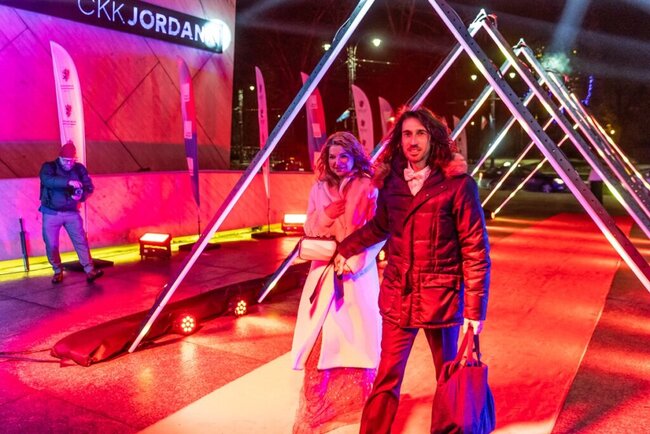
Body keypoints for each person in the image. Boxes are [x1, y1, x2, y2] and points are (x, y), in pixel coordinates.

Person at [334, 107, 491, 433]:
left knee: (448, 375)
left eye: (420, 133)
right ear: (399, 140)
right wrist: (346, 247)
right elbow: (381, 226)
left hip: (442, 296)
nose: (413, 141)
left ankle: (450, 430)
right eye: (407, 134)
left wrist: (475, 310)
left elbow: (475, 249)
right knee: (387, 374)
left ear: (433, 138)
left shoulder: (457, 185)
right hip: (399, 294)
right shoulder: (391, 182)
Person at [291, 132, 383, 433]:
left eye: (344, 156)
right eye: (332, 157)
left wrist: (355, 261)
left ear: (355, 156)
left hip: (357, 276)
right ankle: (317, 408)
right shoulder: (319, 188)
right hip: (323, 273)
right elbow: (309, 227)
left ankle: (356, 407)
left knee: (355, 339)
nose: (337, 162)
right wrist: (326, 215)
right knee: (319, 340)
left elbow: (379, 231)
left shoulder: (369, 187)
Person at [39, 142, 104, 284]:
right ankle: (57, 270)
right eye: (66, 161)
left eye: (72, 160)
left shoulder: (79, 168)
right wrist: (69, 182)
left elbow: (89, 187)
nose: (69, 164)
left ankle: (90, 270)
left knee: (81, 241)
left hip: (72, 213)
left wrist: (80, 196)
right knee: (51, 245)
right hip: (51, 213)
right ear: (60, 158)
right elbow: (48, 181)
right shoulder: (49, 167)